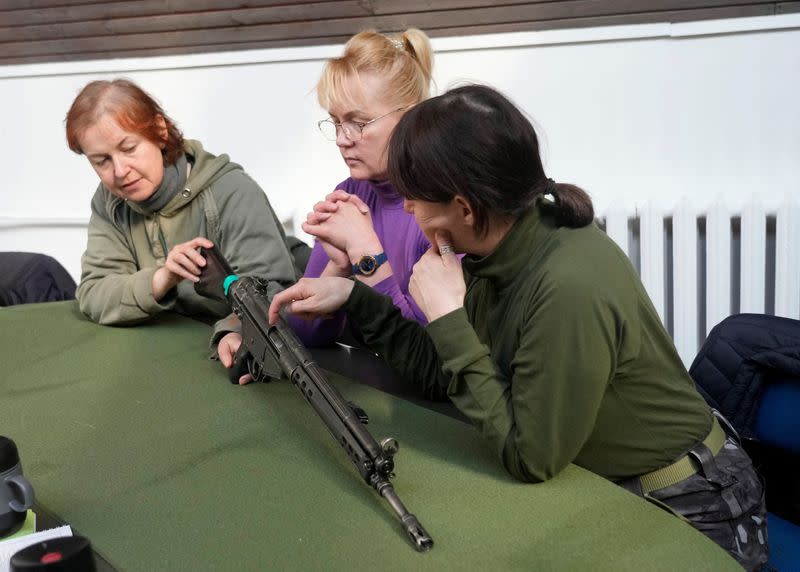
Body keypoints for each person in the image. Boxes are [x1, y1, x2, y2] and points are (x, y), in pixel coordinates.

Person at [268, 85, 769, 570]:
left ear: (463, 208)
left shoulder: (567, 283)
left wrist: (447, 317)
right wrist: (357, 298)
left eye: (415, 200)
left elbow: (530, 457)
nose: (411, 211)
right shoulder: (501, 247)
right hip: (602, 479)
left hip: (688, 503)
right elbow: (443, 376)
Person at [216, 28, 435, 382]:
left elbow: (432, 360)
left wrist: (367, 256)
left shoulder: (442, 208)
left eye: (358, 124)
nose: (341, 140)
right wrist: (336, 268)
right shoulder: (351, 192)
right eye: (335, 122)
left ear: (412, 116)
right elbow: (309, 336)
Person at [66, 79, 298, 334]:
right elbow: (94, 294)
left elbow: (273, 295)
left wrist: (230, 333)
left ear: (159, 131)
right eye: (101, 161)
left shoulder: (233, 190)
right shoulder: (108, 201)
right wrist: (162, 279)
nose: (120, 171)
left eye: (129, 149)